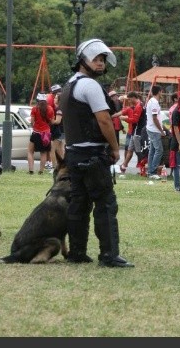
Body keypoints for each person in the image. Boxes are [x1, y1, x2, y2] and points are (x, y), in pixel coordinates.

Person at [60, 38, 133, 267]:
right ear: (83, 60)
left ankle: (77, 252)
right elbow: (103, 120)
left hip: (74, 154)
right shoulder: (90, 85)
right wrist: (114, 148)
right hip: (92, 154)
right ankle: (109, 255)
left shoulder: (69, 84)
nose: (101, 64)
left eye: (103, 60)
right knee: (105, 203)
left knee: (79, 204)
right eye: (96, 59)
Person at [28, 93, 54, 175]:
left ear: (37, 100)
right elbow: (51, 121)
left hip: (36, 133)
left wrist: (34, 126)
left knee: (30, 152)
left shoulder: (35, 109)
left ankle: (31, 170)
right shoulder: (50, 109)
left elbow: (32, 122)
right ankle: (41, 171)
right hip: (46, 134)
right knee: (43, 153)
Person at [119, 91, 142, 173]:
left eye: (129, 99)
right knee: (129, 149)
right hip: (131, 132)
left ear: (133, 98)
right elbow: (121, 112)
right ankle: (124, 166)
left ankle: (140, 166)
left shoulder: (139, 106)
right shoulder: (130, 108)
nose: (128, 101)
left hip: (136, 132)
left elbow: (135, 120)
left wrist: (125, 119)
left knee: (138, 151)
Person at [145, 85, 165, 180]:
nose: (162, 94)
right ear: (159, 92)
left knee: (152, 151)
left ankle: (150, 171)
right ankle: (152, 171)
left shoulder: (152, 101)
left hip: (152, 128)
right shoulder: (154, 103)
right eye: (162, 92)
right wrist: (161, 130)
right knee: (159, 150)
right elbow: (154, 118)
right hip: (154, 130)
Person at [48, 84, 66, 170]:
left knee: (53, 149)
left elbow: (58, 121)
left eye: (55, 98)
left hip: (58, 132)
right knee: (60, 150)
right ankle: (63, 166)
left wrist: (51, 120)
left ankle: (55, 167)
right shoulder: (60, 108)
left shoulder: (58, 109)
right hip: (61, 131)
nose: (54, 98)